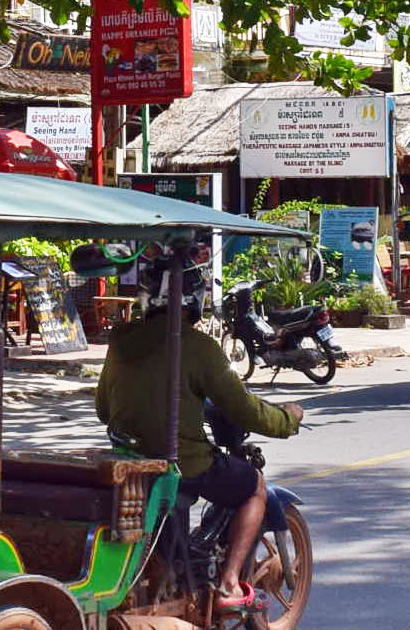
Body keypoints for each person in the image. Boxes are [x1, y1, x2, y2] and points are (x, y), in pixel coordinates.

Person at [94, 246, 301, 610]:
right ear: (195, 299)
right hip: (181, 465)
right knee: (253, 485)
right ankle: (228, 584)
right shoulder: (199, 347)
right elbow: (245, 409)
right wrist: (286, 419)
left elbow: (103, 409)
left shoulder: (121, 341)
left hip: (130, 461)